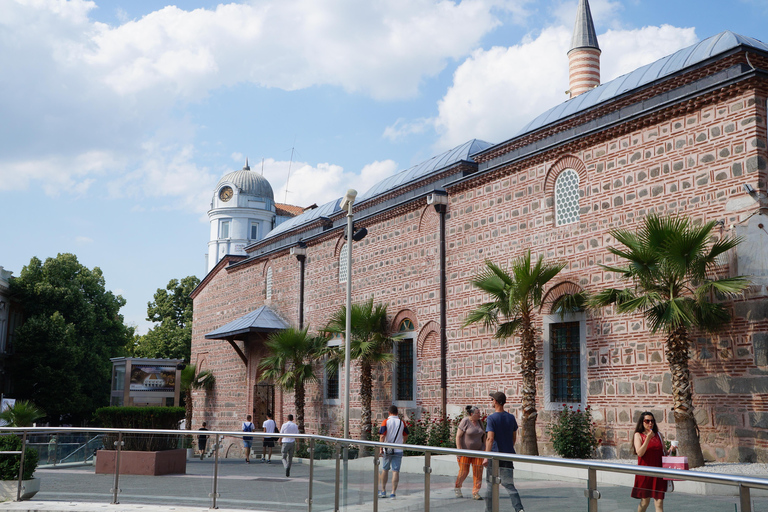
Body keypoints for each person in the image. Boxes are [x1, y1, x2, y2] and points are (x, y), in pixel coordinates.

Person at [483, 391, 524, 512]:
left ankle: (489, 510)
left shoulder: (491, 418)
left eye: (492, 400)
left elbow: (490, 438)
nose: (491, 402)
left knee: (491, 485)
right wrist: (508, 447)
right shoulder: (511, 417)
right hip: (507, 455)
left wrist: (486, 456)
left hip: (494, 456)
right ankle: (519, 509)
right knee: (509, 484)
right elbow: (514, 436)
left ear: (495, 401)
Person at [631, 411, 668, 512]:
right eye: (647, 421)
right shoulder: (638, 435)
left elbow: (664, 452)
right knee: (645, 502)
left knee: (659, 502)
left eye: (652, 421)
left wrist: (672, 450)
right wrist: (648, 438)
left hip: (659, 472)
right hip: (645, 472)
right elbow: (640, 453)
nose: (650, 423)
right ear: (642, 422)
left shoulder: (658, 435)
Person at [379, 404, 409, 499]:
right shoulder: (402, 422)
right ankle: (393, 492)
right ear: (397, 413)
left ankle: (383, 490)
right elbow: (406, 434)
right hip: (398, 449)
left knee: (385, 469)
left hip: (387, 448)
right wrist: (402, 442)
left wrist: (381, 447)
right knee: (395, 471)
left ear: (389, 412)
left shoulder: (385, 422)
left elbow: (382, 435)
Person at [455, 405, 485, 500]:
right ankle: (458, 487)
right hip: (465, 452)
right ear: (471, 414)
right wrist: (459, 450)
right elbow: (458, 436)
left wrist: (484, 448)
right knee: (464, 472)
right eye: (478, 413)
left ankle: (475, 492)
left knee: (478, 472)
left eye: (480, 413)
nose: (480, 415)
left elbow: (484, 435)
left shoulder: (480, 422)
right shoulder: (465, 421)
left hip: (478, 452)